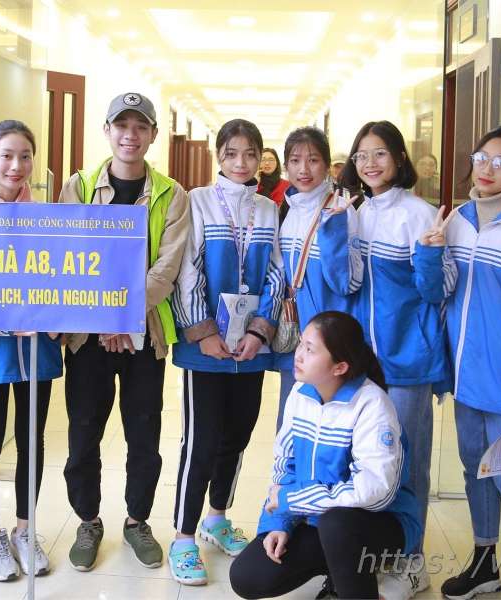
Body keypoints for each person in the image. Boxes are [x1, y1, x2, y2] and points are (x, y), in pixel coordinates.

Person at [58, 92, 190, 571]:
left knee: (144, 433)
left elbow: (166, 269)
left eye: (140, 127)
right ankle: (88, 520)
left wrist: (122, 317)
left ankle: (137, 521)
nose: (130, 135)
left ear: (152, 135)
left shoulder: (172, 194)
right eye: (122, 125)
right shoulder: (79, 186)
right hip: (88, 336)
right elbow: (70, 256)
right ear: (107, 131)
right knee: (83, 432)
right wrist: (106, 319)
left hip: (144, 335)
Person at [229, 311, 422, 600]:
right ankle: (338, 571)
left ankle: (350, 587)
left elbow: (374, 492)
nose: (299, 355)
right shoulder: (300, 394)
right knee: (248, 576)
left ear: (339, 367)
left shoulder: (372, 405)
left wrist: (293, 499)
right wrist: (280, 523)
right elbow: (285, 465)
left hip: (380, 523)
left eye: (310, 349)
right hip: (319, 519)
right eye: (301, 344)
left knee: (337, 526)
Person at [342, 120, 457, 597]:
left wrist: (429, 253)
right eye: (362, 155)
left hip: (408, 361)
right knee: (364, 459)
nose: (370, 163)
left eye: (380, 154)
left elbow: (440, 289)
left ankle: (412, 560)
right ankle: (372, 553)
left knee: (408, 461)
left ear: (399, 158)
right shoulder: (352, 212)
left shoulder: (420, 214)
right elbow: (347, 285)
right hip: (361, 364)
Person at [169, 119, 283, 586]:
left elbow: (276, 273)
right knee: (200, 440)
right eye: (232, 153)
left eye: (251, 154)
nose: (241, 162)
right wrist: (203, 332)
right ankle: (183, 536)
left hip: (250, 348)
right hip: (208, 348)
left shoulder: (268, 209)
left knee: (237, 434)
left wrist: (258, 332)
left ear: (261, 159)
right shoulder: (197, 201)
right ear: (219, 156)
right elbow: (187, 270)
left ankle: (216, 517)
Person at [0, 120, 62, 582]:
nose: (16, 165)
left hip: (37, 348)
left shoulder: (43, 215)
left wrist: (59, 319)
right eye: (5, 155)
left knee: (32, 442)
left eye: (24, 156)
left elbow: (63, 274)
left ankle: (25, 530)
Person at [440, 125, 501, 600]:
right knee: (475, 470)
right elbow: (442, 293)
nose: (487, 169)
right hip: (466, 380)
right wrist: (429, 255)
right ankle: (484, 563)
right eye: (481, 158)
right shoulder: (458, 219)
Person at [272, 127, 362, 432]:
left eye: (313, 160)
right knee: (292, 424)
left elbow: (348, 283)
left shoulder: (341, 210)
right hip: (296, 336)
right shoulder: (288, 210)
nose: (303, 169)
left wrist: (333, 231)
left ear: (326, 164)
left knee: (329, 426)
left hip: (329, 341)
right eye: (295, 160)